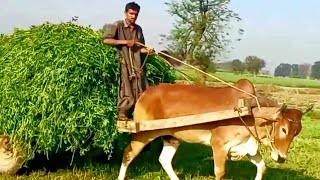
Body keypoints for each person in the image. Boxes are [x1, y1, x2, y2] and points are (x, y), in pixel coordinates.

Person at [103, 2, 155, 121]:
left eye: (136, 14)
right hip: (123, 62)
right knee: (126, 88)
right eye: (131, 14)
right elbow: (106, 40)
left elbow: (139, 48)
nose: (133, 17)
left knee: (140, 88)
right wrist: (125, 42)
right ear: (125, 13)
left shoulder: (138, 29)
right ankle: (123, 114)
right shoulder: (118, 25)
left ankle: (140, 113)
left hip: (137, 64)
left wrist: (147, 50)